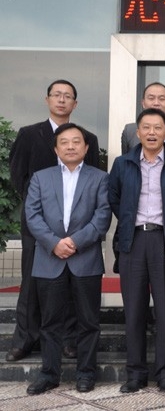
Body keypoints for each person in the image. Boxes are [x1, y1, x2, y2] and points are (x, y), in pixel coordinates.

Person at [7, 79, 100, 363]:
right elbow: (18, 176)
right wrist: (41, 212)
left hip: (75, 230)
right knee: (31, 283)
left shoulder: (88, 138)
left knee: (71, 283)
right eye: (56, 95)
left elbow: (92, 181)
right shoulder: (29, 134)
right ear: (47, 99)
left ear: (75, 103)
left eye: (67, 96)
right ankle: (25, 339)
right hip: (38, 227)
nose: (61, 100)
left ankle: (68, 341)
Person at [108, 108, 165, 393]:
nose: (152, 132)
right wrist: (129, 220)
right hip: (133, 241)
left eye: (158, 128)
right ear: (138, 132)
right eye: (146, 127)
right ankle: (135, 373)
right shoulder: (123, 164)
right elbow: (114, 197)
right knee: (133, 310)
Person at [24, 124, 111, 395]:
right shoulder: (40, 177)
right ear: (56, 148)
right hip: (49, 260)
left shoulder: (100, 178)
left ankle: (86, 373)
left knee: (89, 322)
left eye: (76, 141)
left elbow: (102, 216)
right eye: (64, 142)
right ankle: (49, 374)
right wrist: (54, 243)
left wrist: (74, 242)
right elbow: (32, 216)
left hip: (85, 259)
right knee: (50, 323)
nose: (71, 146)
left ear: (86, 147)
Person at [121, 82, 165, 158]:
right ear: (143, 103)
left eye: (162, 99)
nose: (156, 103)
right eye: (151, 98)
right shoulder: (129, 131)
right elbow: (125, 162)